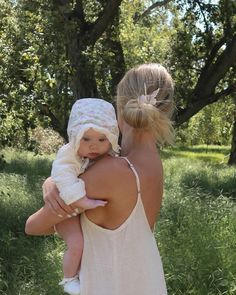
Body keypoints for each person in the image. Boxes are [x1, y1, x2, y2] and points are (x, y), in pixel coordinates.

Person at [26, 63, 174, 295]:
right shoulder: (152, 164)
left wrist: (52, 185)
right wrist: (52, 183)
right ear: (166, 110)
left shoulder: (112, 171)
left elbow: (34, 226)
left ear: (121, 107)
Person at [25, 98, 120, 295]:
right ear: (74, 137)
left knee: (85, 247)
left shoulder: (112, 158)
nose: (93, 146)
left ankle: (79, 275)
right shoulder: (69, 155)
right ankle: (68, 280)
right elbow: (62, 176)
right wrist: (82, 201)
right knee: (77, 243)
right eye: (86, 139)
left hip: (82, 215)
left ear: (111, 138)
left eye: (101, 140)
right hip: (68, 207)